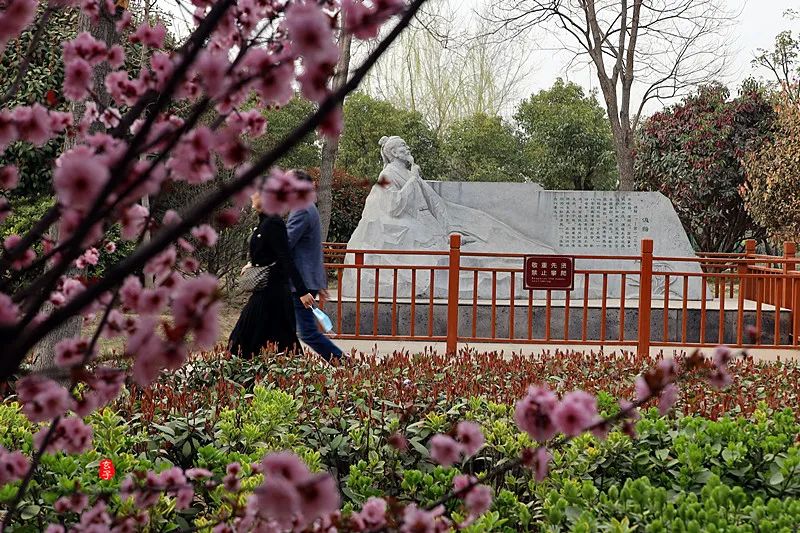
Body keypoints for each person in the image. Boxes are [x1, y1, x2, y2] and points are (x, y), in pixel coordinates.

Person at [228, 191, 315, 359]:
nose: (252, 195)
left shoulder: (274, 223)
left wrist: (302, 291)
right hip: (264, 291)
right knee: (256, 338)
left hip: (274, 293)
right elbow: (267, 253)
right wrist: (252, 264)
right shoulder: (263, 223)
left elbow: (285, 257)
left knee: (263, 339)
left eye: (256, 192)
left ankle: (294, 378)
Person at [286, 170, 344, 362]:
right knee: (285, 329)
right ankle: (293, 368)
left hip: (300, 283)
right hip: (304, 280)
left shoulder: (302, 209)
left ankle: (344, 364)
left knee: (308, 333)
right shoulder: (308, 207)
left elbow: (284, 243)